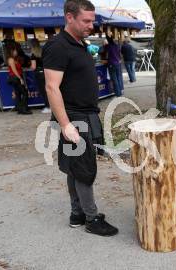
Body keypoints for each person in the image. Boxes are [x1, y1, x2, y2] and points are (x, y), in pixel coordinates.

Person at [43, 0, 118, 237]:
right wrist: (66, 125)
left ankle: (77, 213)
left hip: (86, 114)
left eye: (92, 19)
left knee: (75, 168)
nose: (91, 24)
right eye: (86, 20)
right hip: (74, 118)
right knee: (84, 168)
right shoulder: (58, 46)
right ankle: (92, 218)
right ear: (69, 17)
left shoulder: (78, 43)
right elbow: (51, 88)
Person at [5, 42, 32, 114]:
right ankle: (23, 108)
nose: (16, 52)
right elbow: (14, 70)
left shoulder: (15, 59)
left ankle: (20, 108)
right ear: (12, 51)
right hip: (16, 78)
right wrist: (20, 78)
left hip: (16, 77)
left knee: (18, 93)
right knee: (24, 92)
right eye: (15, 50)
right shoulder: (11, 59)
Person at [30, 39, 50, 113]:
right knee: (48, 90)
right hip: (46, 72)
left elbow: (33, 67)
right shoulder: (43, 52)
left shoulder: (33, 55)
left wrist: (30, 66)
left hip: (39, 74)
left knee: (43, 91)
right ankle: (51, 106)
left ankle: (48, 107)